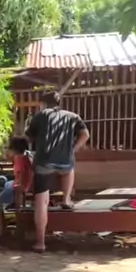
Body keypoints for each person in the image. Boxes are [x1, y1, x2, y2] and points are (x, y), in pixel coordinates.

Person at [26, 90, 89, 252]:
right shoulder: (73, 116)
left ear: (44, 103)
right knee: (69, 169)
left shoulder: (40, 115)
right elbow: (85, 134)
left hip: (44, 162)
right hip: (64, 163)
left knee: (41, 203)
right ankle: (66, 199)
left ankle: (40, 243)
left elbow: (30, 136)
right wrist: (73, 149)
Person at [0, 136, 34, 234]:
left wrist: (18, 185)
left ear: (14, 150)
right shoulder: (26, 156)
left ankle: (2, 227)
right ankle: (10, 201)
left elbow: (21, 174)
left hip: (20, 186)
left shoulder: (19, 159)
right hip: (25, 184)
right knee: (7, 183)